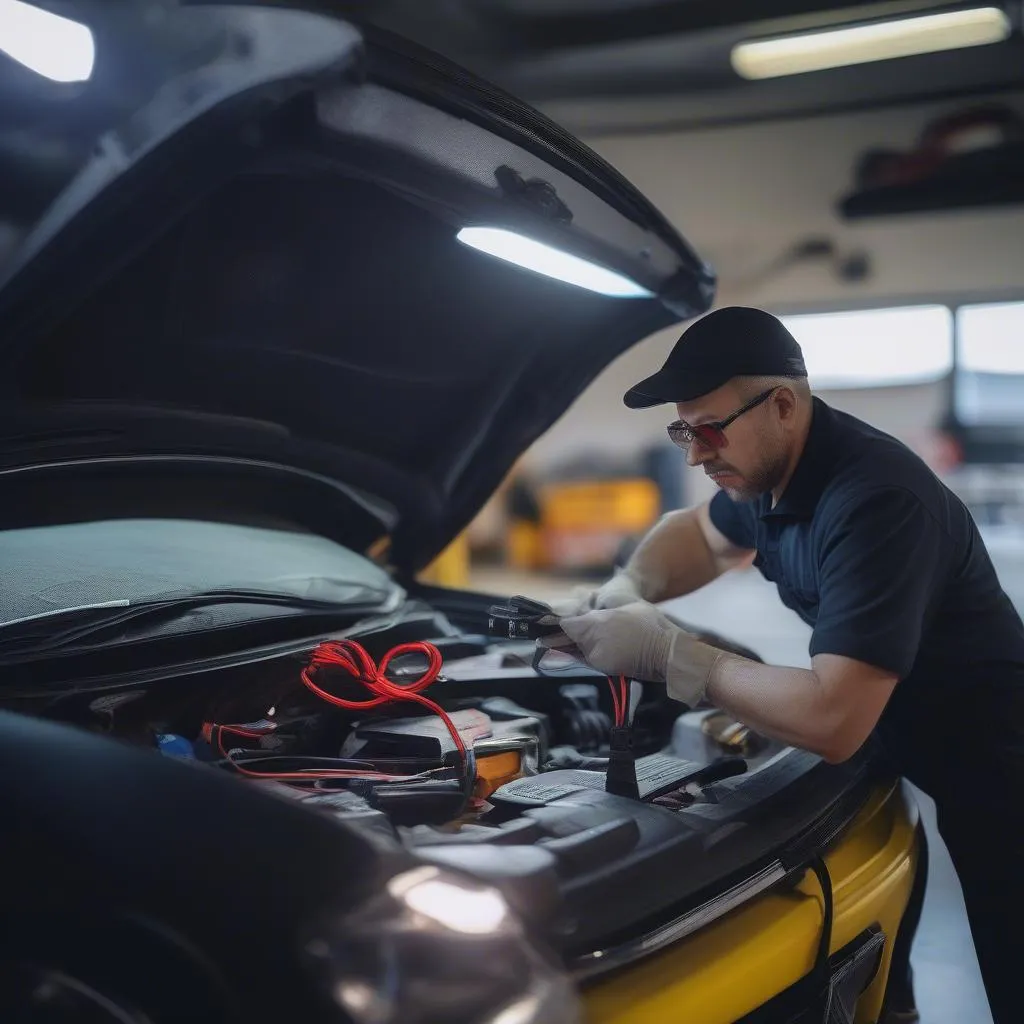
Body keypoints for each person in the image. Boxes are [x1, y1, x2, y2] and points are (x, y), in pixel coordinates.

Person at [544, 306, 1024, 1024]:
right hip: (926, 758)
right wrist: (627, 590)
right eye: (683, 432)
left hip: (1004, 780)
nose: (695, 456)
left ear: (782, 406)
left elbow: (833, 721)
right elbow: (701, 538)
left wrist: (671, 654)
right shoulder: (771, 476)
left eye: (708, 430)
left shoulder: (876, 502)